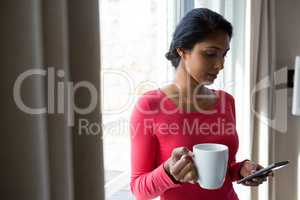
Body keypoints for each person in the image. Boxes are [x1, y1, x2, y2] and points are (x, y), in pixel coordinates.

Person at [129, 8, 273, 200]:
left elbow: (219, 172)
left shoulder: (226, 101)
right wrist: (168, 172)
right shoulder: (149, 106)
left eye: (224, 54)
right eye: (210, 54)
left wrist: (241, 170)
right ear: (182, 51)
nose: (220, 65)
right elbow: (138, 189)